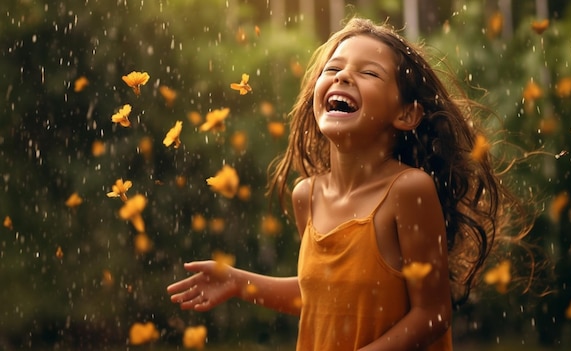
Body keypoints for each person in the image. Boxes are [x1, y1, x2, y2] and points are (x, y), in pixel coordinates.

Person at [167, 17, 532, 350]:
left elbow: (433, 315)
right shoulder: (306, 196)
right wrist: (238, 282)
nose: (343, 77)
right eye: (334, 68)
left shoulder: (408, 190)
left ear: (406, 114)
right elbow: (321, 297)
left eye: (369, 74)